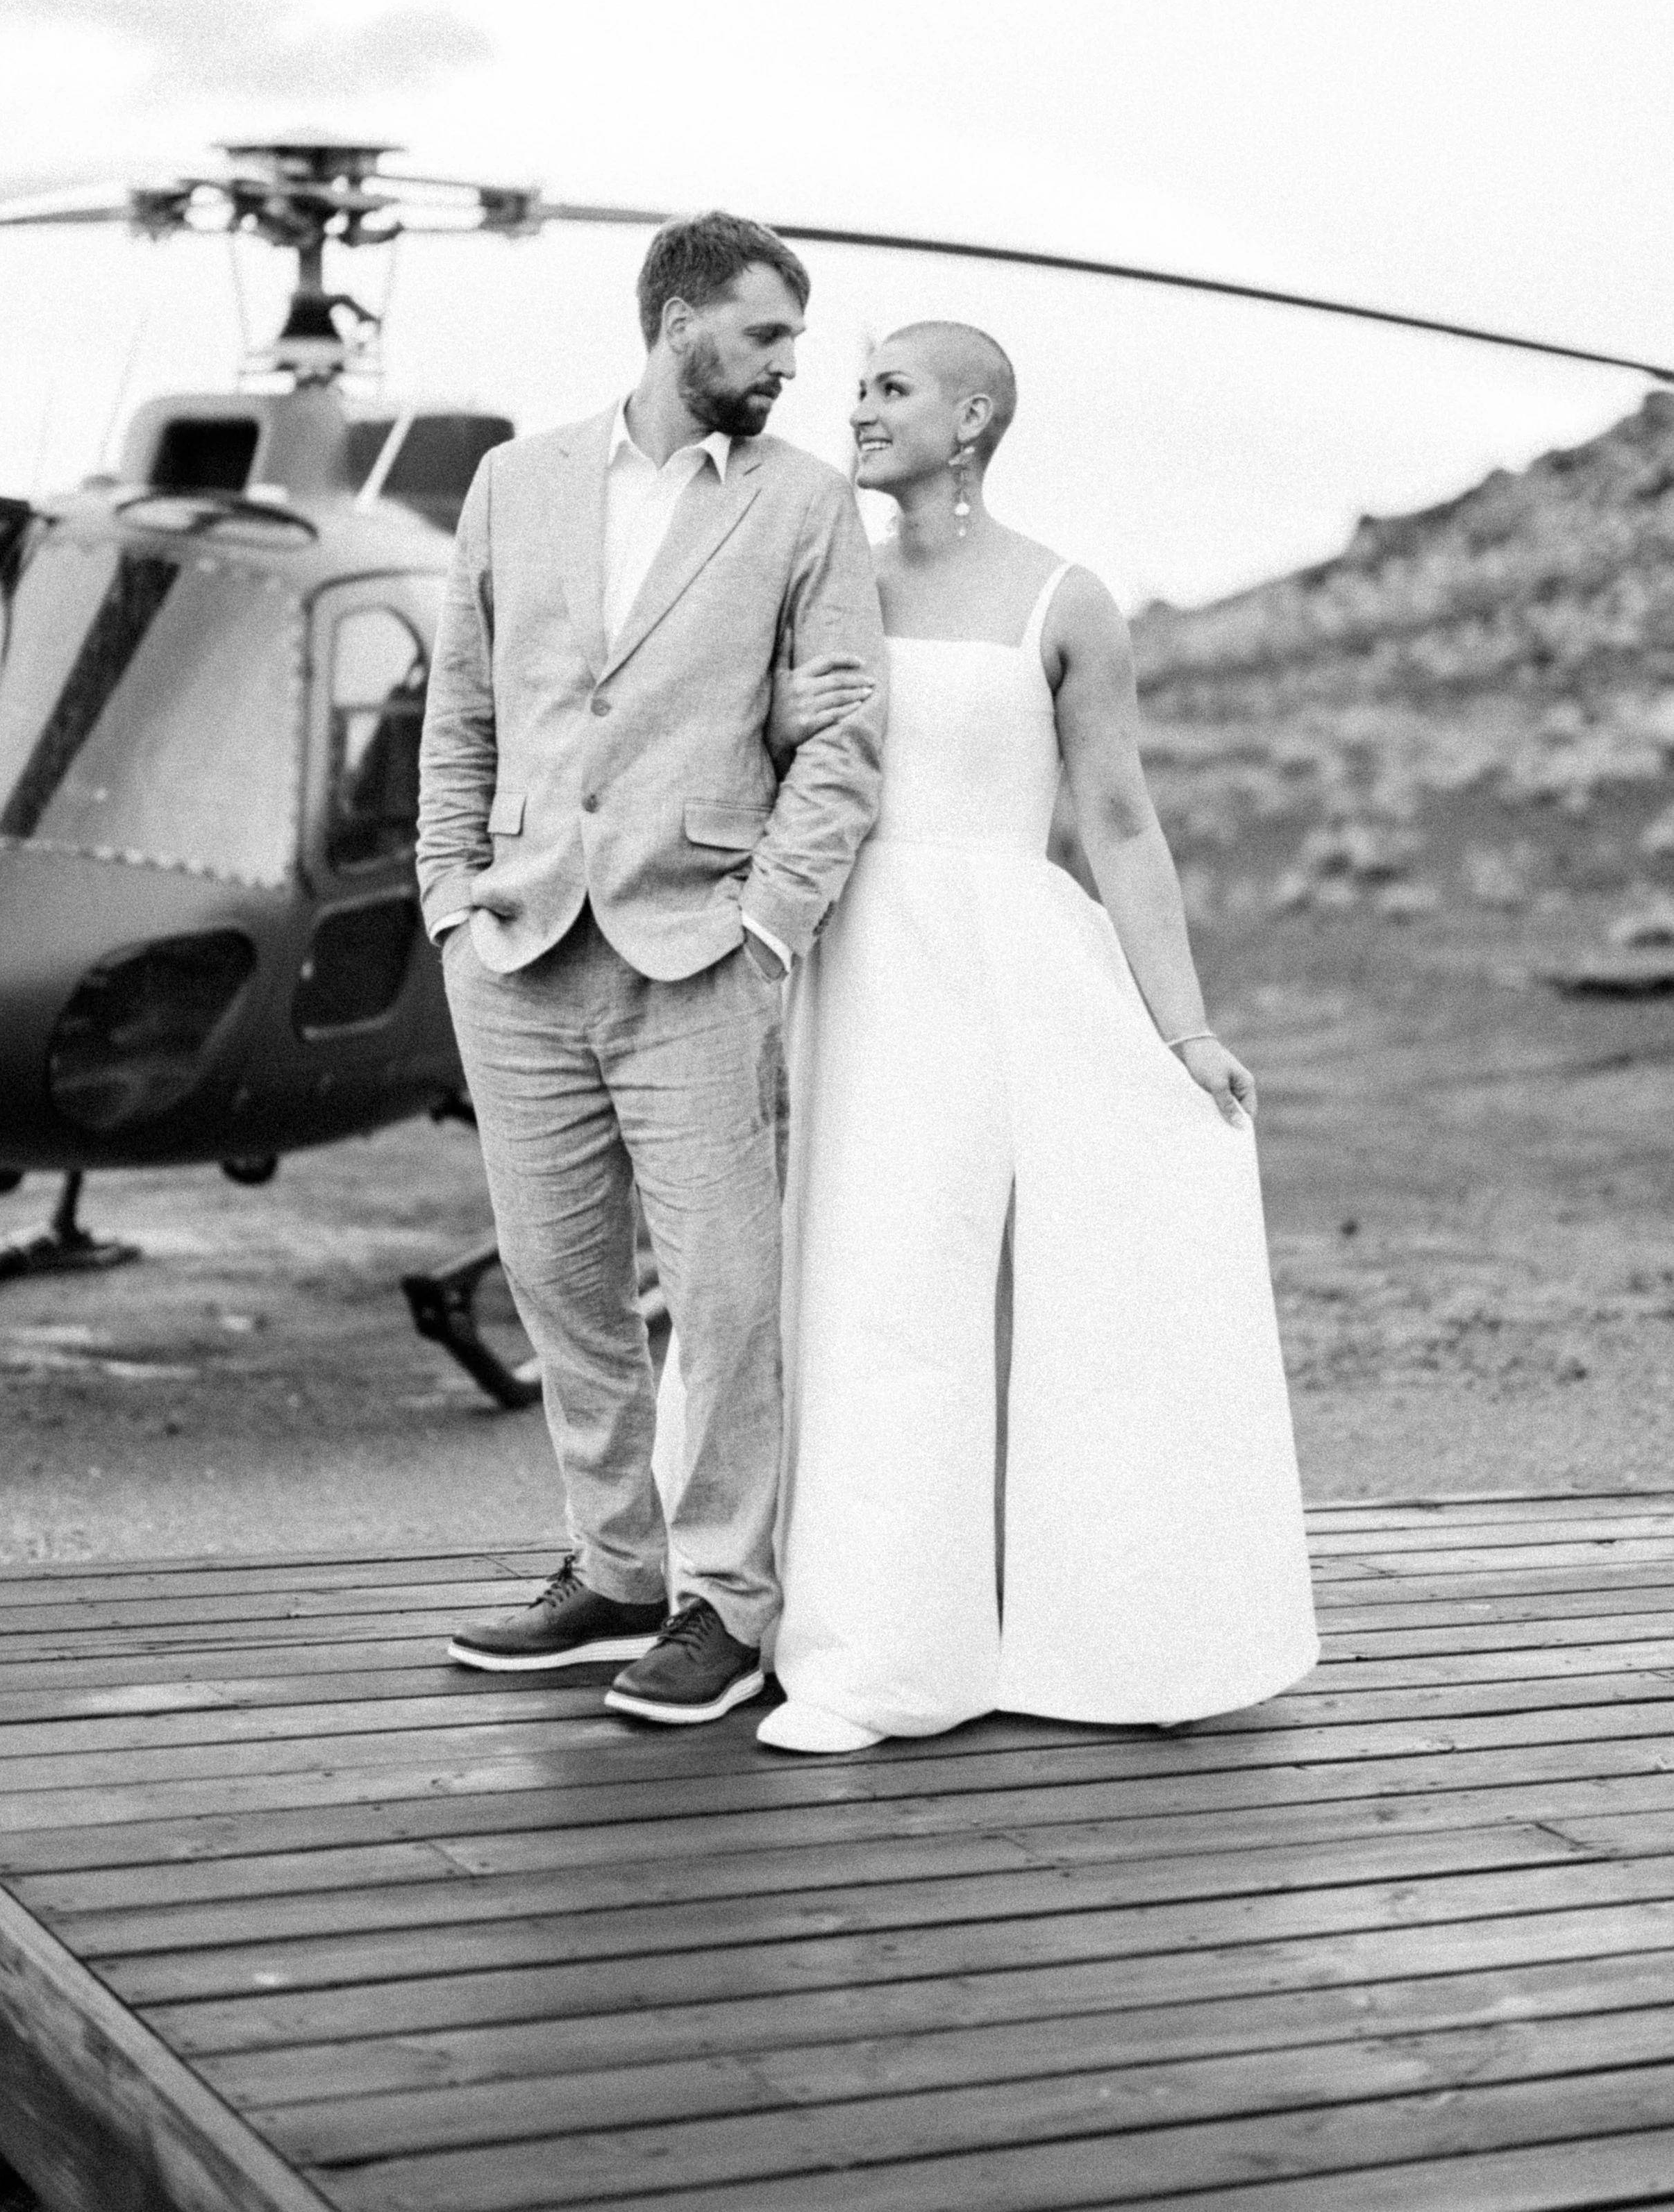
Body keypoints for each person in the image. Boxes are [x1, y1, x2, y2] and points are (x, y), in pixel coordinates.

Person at [755, 321, 1318, 1754]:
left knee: (965, 1286)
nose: (859, 411)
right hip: (842, 954)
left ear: (975, 415)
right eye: (857, 390)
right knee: (848, 1283)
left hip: (998, 961)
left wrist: (1180, 1027)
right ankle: (862, 1652)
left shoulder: (1065, 599)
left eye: (891, 389)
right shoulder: (828, 586)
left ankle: (1061, 1632)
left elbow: (1117, 822)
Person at [416, 213, 885, 1727]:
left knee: (725, 1296)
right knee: (560, 1287)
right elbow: (464, 713)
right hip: (518, 945)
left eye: (794, 345)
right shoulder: (515, 481)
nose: (788, 369)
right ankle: (613, 1570)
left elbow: (841, 742)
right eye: (762, 337)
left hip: (699, 954)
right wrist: (446, 904)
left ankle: (726, 1604)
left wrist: (768, 925)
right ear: (677, 322)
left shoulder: (808, 508)